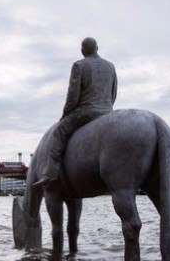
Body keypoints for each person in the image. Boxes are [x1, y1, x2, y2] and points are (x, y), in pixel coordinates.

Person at [33, 37, 117, 187]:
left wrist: (65, 115)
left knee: (58, 131)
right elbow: (114, 93)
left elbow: (73, 96)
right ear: (97, 48)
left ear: (82, 51)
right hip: (107, 112)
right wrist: (106, 109)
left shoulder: (79, 65)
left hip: (86, 112)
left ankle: (50, 173)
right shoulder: (111, 66)